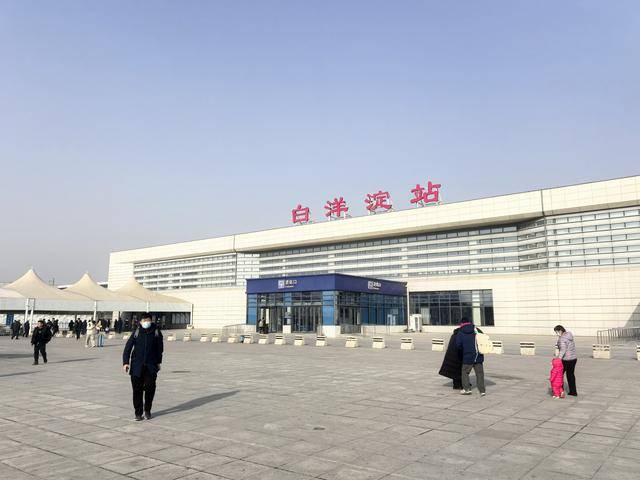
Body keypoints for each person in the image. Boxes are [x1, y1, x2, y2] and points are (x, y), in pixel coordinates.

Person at [122, 313, 164, 421]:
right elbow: (128, 347)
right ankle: (138, 413)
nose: (146, 322)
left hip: (151, 366)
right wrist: (125, 362)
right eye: (144, 320)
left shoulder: (156, 332)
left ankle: (147, 410)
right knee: (137, 390)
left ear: (151, 321)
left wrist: (158, 362)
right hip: (137, 366)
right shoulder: (136, 332)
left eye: (148, 320)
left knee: (150, 388)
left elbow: (160, 349)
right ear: (140, 322)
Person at [455, 321, 486, 396]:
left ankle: (467, 389)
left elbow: (458, 344)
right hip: (478, 355)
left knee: (465, 372)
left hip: (467, 356)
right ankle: (482, 391)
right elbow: (483, 339)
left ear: (461, 324)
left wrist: (464, 349)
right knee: (479, 373)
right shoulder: (477, 330)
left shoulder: (461, 332)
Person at [438, 319, 470, 390]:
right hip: (459, 353)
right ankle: (461, 384)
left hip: (452, 354)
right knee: (461, 369)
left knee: (455, 369)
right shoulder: (462, 333)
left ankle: (456, 385)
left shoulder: (455, 333)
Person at [555, 325, 578, 396]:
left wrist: (559, 359)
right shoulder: (569, 335)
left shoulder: (562, 339)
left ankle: (560, 391)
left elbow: (563, 350)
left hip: (566, 360)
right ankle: (573, 392)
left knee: (559, 375)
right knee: (570, 375)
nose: (556, 334)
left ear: (560, 331)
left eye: (556, 332)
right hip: (573, 359)